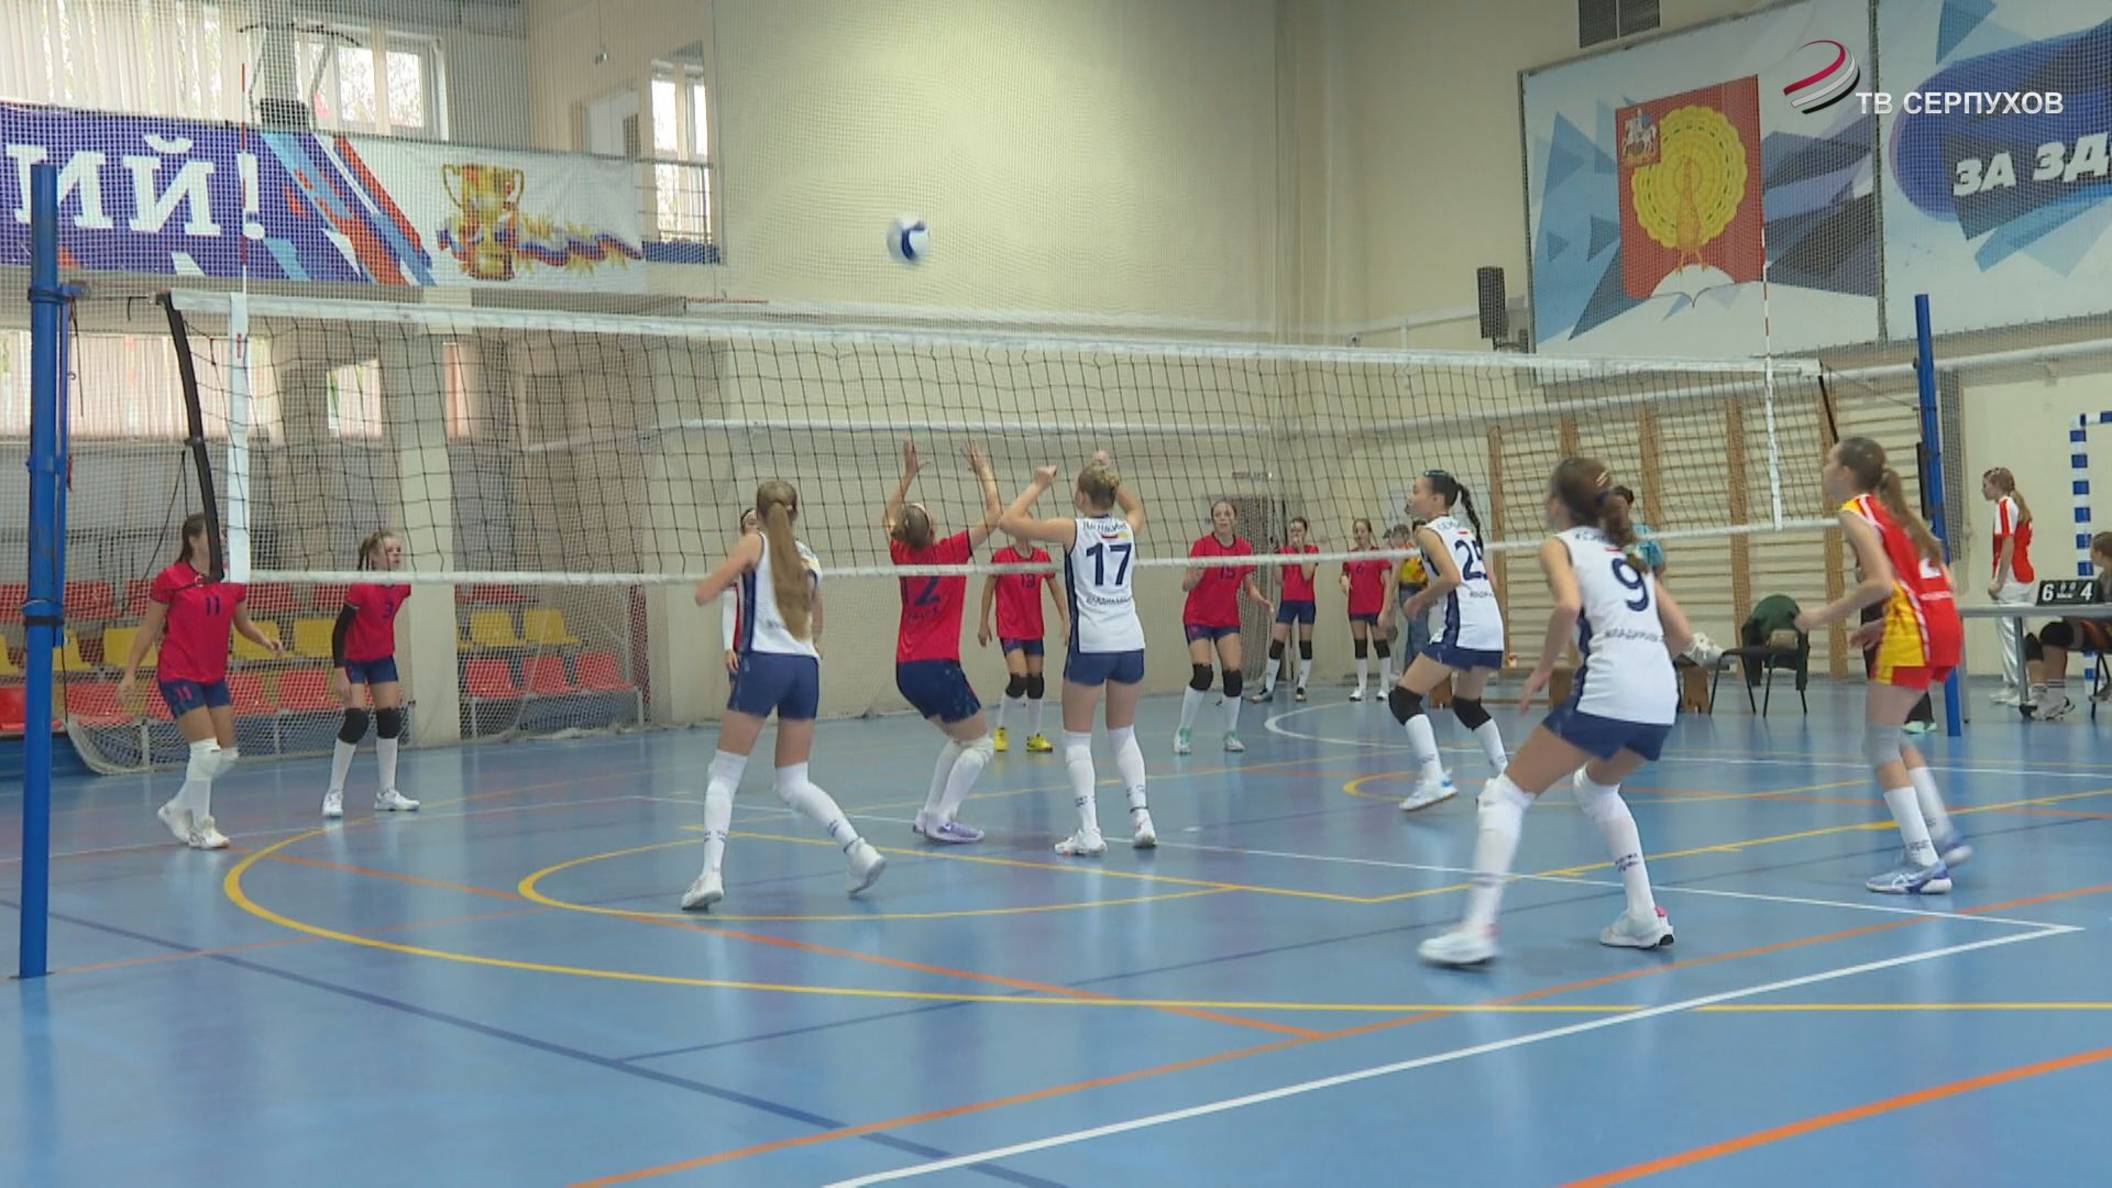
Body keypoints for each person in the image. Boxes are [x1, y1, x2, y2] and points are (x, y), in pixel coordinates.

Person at [1420, 458, 1686, 966]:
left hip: (1612, 687)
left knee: (1504, 796)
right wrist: (1645, 671)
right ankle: (1643, 915)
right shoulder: (1626, 554)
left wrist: (1543, 669)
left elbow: (1566, 606)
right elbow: (1680, 631)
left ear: (1559, 505)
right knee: (1596, 788)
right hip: (1660, 696)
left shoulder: (1559, 545)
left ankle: (1475, 930)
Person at [682, 481, 884, 910]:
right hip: (805, 667)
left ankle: (710, 874)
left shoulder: (753, 543)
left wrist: (725, 581)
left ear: (758, 514)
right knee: (794, 781)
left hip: (764, 662)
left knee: (723, 775)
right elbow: (818, 617)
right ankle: (859, 850)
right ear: (795, 512)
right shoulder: (808, 556)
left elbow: (704, 592)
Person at [1794, 437, 1967, 894]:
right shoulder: (1896, 512)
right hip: (1941, 623)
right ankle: (1941, 834)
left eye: (1829, 460)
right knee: (1891, 737)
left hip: (1915, 632)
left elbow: (1880, 583)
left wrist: (1822, 616)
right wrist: (1883, 624)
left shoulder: (1855, 511)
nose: (1823, 467)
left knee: (1878, 745)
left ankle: (1924, 861)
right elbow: (1940, 580)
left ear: (1846, 473)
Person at [996, 451, 1155, 857]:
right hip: (1130, 640)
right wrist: (1108, 470)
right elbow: (1137, 508)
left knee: (1077, 741)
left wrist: (1038, 484)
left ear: (1082, 496)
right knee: (1123, 734)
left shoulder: (1073, 529)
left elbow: (1008, 521)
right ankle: (1142, 819)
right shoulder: (1127, 527)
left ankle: (1090, 830)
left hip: (1092, 643)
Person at [116, 513, 285, 849]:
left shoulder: (231, 579)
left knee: (227, 755)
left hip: (213, 675)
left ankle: (176, 809)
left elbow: (242, 623)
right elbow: (149, 628)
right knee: (206, 751)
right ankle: (201, 828)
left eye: (221, 533)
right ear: (193, 540)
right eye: (212, 533)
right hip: (178, 672)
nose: (220, 538)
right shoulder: (171, 578)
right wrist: (130, 672)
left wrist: (264, 640)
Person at [885, 439, 1002, 844]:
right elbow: (995, 515)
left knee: (959, 738)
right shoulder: (950, 551)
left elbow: (886, 517)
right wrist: (983, 470)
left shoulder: (900, 553)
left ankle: (928, 813)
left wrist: (908, 474)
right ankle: (943, 819)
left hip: (906, 670)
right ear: (932, 532)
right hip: (938, 668)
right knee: (981, 745)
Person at [1390, 470, 1508, 811]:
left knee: (1402, 698)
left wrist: (1419, 599)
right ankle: (1506, 777)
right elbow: (1492, 582)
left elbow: (1452, 577)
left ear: (1436, 499)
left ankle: (1433, 777)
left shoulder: (1427, 533)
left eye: (1416, 491)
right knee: (1467, 705)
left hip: (1465, 626)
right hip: (1490, 626)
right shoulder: (1465, 531)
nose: (1410, 496)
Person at [323, 530, 419, 819]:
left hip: (382, 658)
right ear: (375, 557)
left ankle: (386, 793)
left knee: (391, 719)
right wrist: (339, 670)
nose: (397, 554)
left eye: (399, 549)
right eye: (390, 550)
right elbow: (339, 630)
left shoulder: (402, 586)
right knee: (357, 720)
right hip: (354, 660)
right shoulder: (361, 587)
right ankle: (334, 793)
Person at [1177, 499, 1271, 754]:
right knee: (1203, 674)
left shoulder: (1243, 548)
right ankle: (1183, 732)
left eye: (1227, 513)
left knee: (1233, 675)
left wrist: (1259, 599)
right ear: (1213, 520)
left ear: (1234, 519)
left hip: (1227, 618)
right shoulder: (1202, 546)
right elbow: (1185, 585)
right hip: (1198, 617)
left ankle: (1230, 734)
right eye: (1217, 514)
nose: (1222, 517)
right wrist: (1195, 577)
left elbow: (1248, 586)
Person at [979, 532, 1069, 753]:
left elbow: (1055, 589)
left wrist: (1065, 619)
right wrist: (983, 622)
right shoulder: (1001, 557)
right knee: (1019, 679)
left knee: (1036, 681)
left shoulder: (1041, 557)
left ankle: (1035, 736)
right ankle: (1000, 729)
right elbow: (989, 588)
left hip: (1033, 627)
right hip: (1009, 626)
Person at [2027, 531, 2112, 721]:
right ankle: (2045, 695)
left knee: (2054, 634)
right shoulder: (2102, 578)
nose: (2090, 554)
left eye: (2091, 549)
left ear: (2099, 553)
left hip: (2105, 633)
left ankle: (2054, 699)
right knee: (2045, 635)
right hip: (2096, 628)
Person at [1982, 467, 2036, 706]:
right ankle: (2013, 683)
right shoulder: (2016, 506)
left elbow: (2008, 545)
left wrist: (1999, 580)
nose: (1983, 490)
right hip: (2022, 574)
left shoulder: (2004, 506)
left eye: (1985, 485)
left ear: (1997, 486)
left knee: (2012, 633)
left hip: (2012, 577)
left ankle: (2022, 686)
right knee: (2015, 632)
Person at [1253, 516, 1319, 703]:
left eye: (1299, 530)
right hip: (1288, 602)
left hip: (1306, 602)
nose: (1295, 534)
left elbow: (1307, 575)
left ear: (1305, 532)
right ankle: (1268, 688)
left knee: (1305, 644)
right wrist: (1276, 558)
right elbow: (1278, 580)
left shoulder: (1312, 550)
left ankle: (1301, 686)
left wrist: (1300, 550)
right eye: (1292, 530)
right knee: (1276, 644)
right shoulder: (1284, 551)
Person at [1339, 519, 1392, 700]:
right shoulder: (1350, 555)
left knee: (1381, 645)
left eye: (1362, 531)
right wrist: (1343, 580)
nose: (1359, 534)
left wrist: (1385, 610)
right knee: (1360, 645)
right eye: (1356, 531)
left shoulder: (1378, 555)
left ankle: (1384, 687)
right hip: (1356, 607)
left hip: (1375, 606)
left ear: (1369, 533)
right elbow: (1344, 574)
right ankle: (1361, 687)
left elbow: (1389, 584)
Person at [719, 507, 760, 676]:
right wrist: (728, 648)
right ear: (743, 532)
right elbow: (729, 606)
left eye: (761, 522)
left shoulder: (781, 562)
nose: (757, 526)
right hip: (743, 648)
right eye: (751, 523)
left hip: (775, 647)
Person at [1388, 521, 1432, 661]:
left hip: (1423, 590)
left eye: (1423, 531)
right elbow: (1395, 575)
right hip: (1407, 591)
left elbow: (1431, 573)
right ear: (1413, 533)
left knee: (1415, 631)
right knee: (1420, 632)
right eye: (1418, 531)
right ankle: (1423, 667)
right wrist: (1389, 599)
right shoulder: (1406, 550)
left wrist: (1432, 593)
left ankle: (1409, 669)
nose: (1421, 534)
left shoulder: (1429, 550)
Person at [1610, 486, 1666, 577]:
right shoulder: (1603, 534)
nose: (1617, 509)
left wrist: (1647, 582)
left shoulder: (1644, 532)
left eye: (1620, 505)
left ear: (1629, 505)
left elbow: (1660, 565)